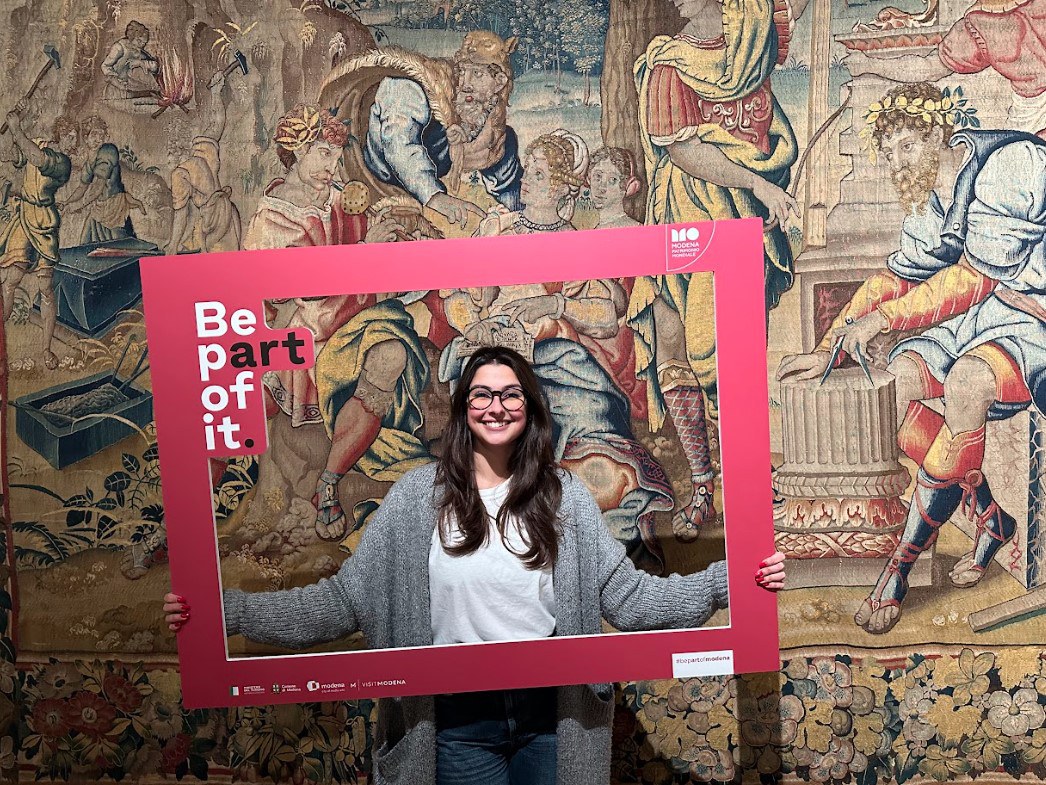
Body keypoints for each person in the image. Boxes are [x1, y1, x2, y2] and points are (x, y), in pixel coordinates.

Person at [165, 345, 787, 785]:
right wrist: (226, 612)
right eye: (482, 394)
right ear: (464, 408)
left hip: (553, 720)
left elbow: (629, 599)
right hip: (454, 724)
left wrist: (729, 582)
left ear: (530, 408)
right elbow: (342, 602)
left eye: (510, 394)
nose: (496, 406)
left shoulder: (565, 498)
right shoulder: (416, 498)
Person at [777, 82, 1046, 634]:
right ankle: (991, 519)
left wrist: (885, 320)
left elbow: (972, 280)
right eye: (890, 152)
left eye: (907, 146)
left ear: (939, 133)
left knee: (967, 382)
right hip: (980, 316)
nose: (898, 162)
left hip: (1033, 316)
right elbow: (896, 277)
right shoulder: (933, 195)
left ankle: (898, 568)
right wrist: (830, 347)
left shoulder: (1011, 164)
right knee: (894, 386)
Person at [323, 30, 523, 228]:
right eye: (462, 71)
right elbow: (398, 145)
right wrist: (435, 197)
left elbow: (510, 189)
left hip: (422, 198)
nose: (465, 84)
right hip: (375, 185)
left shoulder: (492, 127)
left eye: (477, 74)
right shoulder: (412, 86)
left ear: (499, 82)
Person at [844, 0, 1046, 138]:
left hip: (1031, 121)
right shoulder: (983, 21)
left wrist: (868, 65)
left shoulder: (984, 21)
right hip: (1031, 122)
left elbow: (929, 67)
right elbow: (929, 68)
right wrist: (869, 65)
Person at [0, 103, 74, 369]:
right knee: (11, 280)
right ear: (58, 135)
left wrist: (16, 128)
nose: (73, 142)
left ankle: (45, 348)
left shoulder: (62, 163)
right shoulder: (39, 144)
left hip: (45, 223)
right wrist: (15, 120)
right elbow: (12, 154)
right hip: (24, 219)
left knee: (45, 289)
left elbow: (36, 159)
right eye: (69, 136)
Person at [166, 71, 241, 254]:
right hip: (227, 212)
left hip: (212, 223)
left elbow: (181, 213)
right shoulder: (202, 151)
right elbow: (217, 123)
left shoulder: (180, 173)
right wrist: (216, 92)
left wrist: (173, 246)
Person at [64, 142, 145, 244]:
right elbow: (82, 188)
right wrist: (67, 202)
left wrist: (77, 206)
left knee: (120, 242)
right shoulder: (90, 164)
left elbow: (97, 190)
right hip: (99, 207)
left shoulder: (107, 154)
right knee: (86, 240)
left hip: (113, 206)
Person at [588, 147, 642, 229]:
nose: (602, 188)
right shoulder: (597, 229)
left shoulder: (634, 228)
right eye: (598, 176)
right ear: (589, 178)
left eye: (612, 180)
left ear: (626, 186)